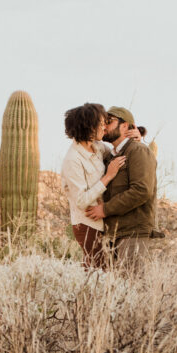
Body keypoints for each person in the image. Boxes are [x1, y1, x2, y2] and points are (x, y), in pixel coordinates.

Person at [85, 106, 157, 269]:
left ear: (125, 126)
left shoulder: (138, 151)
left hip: (133, 233)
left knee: (132, 287)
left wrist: (105, 209)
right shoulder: (110, 155)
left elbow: (142, 190)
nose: (104, 126)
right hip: (113, 234)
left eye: (109, 122)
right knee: (117, 290)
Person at [60, 103, 129, 269]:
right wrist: (108, 176)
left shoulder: (97, 148)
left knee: (105, 271)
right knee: (97, 273)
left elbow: (116, 151)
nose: (104, 127)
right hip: (87, 224)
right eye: (101, 123)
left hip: (102, 222)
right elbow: (81, 200)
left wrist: (134, 139)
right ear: (89, 127)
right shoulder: (73, 159)